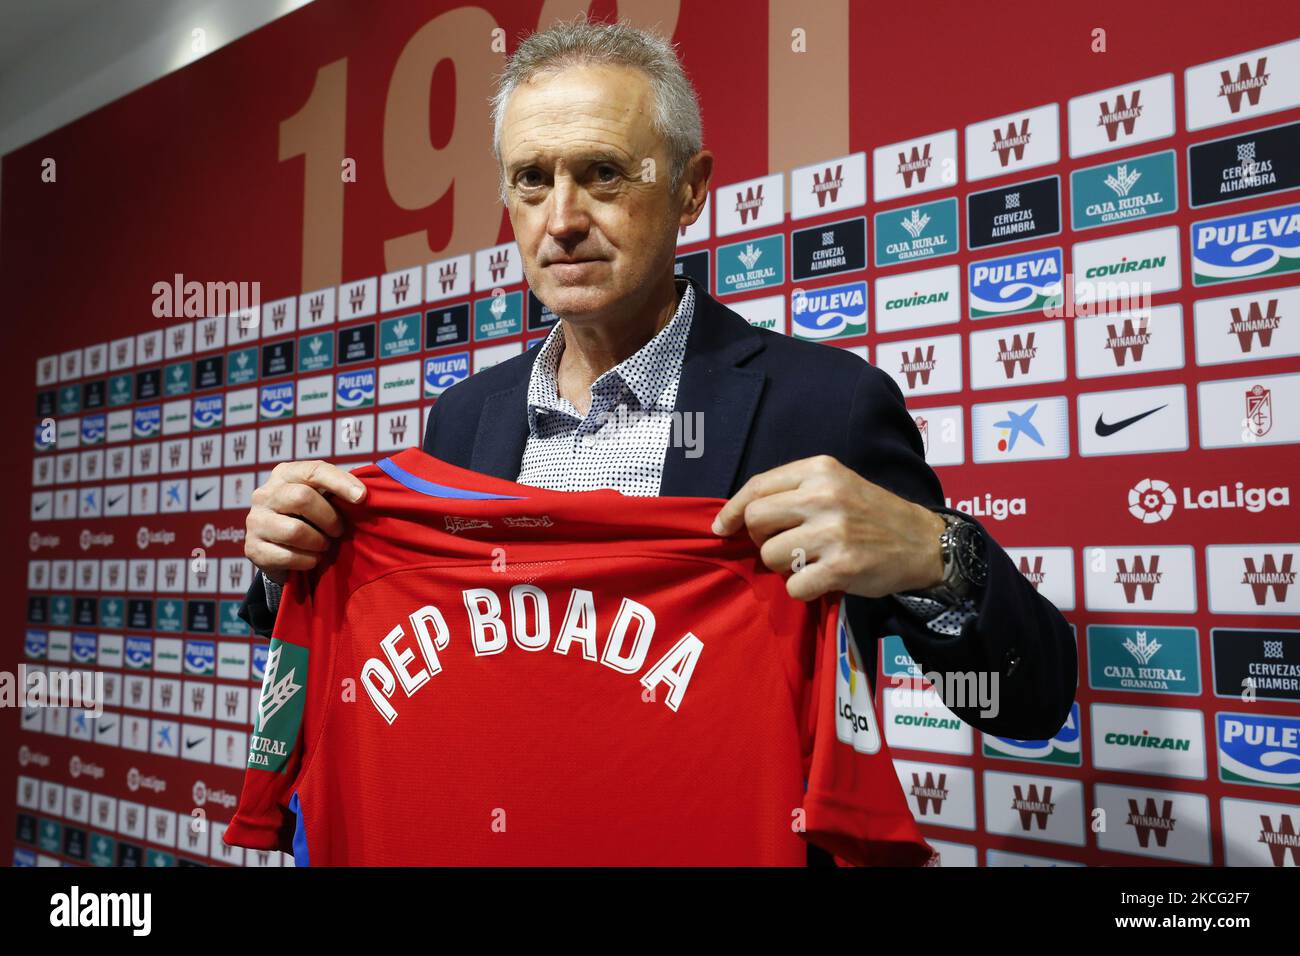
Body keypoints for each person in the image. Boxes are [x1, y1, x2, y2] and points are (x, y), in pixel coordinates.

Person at [240, 15, 1074, 761]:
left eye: (603, 173)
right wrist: (291, 566)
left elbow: (1029, 703)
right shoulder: (463, 419)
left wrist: (938, 555)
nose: (560, 218)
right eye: (531, 179)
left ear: (690, 189)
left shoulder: (826, 404)